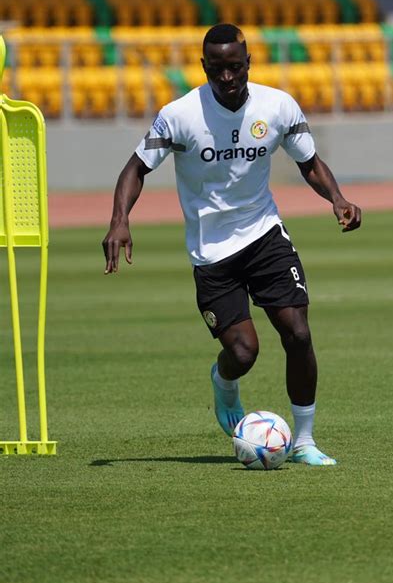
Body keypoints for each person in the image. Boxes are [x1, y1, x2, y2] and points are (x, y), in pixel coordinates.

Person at [102, 23, 361, 466]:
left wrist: (337, 198)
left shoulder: (277, 106)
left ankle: (304, 442)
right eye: (217, 69)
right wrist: (119, 220)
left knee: (298, 334)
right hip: (211, 251)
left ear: (248, 63)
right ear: (204, 67)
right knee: (243, 352)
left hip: (264, 234)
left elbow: (310, 163)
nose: (227, 77)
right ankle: (224, 382)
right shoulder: (180, 115)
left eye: (235, 67)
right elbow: (136, 168)